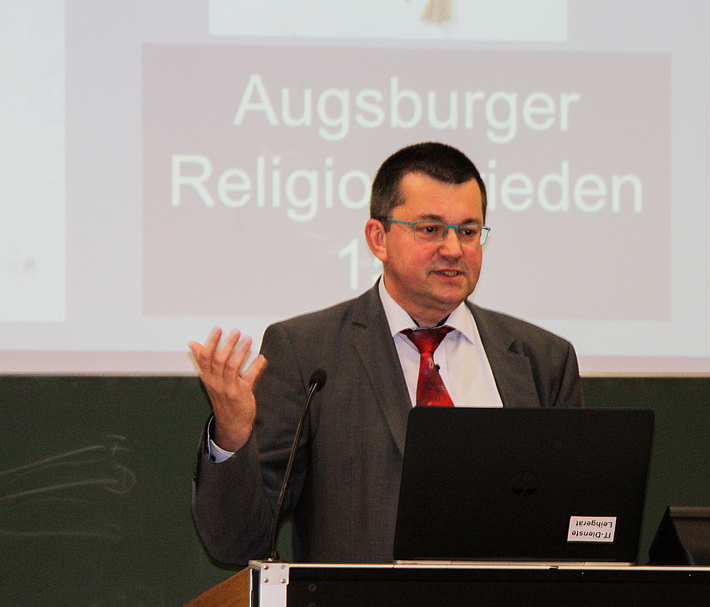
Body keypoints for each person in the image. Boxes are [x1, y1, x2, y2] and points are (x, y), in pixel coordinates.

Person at [190, 142, 584, 565]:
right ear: (379, 239)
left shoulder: (542, 361)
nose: (454, 249)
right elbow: (238, 541)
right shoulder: (307, 354)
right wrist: (232, 433)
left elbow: (577, 531)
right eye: (430, 229)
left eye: (469, 231)